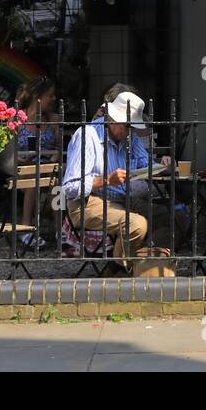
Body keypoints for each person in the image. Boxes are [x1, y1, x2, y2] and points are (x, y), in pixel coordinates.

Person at [61, 91, 171, 276]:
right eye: (128, 126)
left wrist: (165, 165)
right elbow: (70, 187)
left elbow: (146, 164)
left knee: (173, 218)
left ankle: (136, 263)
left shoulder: (128, 137)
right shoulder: (87, 137)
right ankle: (117, 270)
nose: (131, 131)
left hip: (119, 199)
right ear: (112, 119)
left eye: (132, 127)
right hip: (87, 203)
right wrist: (106, 180)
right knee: (136, 224)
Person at [15, 77, 60, 249]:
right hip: (22, 168)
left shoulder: (55, 120)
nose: (54, 99)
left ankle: (60, 230)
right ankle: (26, 228)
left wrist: (54, 158)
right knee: (32, 176)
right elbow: (8, 153)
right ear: (38, 97)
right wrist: (21, 160)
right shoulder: (18, 120)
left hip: (47, 168)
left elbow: (59, 149)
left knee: (58, 183)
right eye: (51, 95)